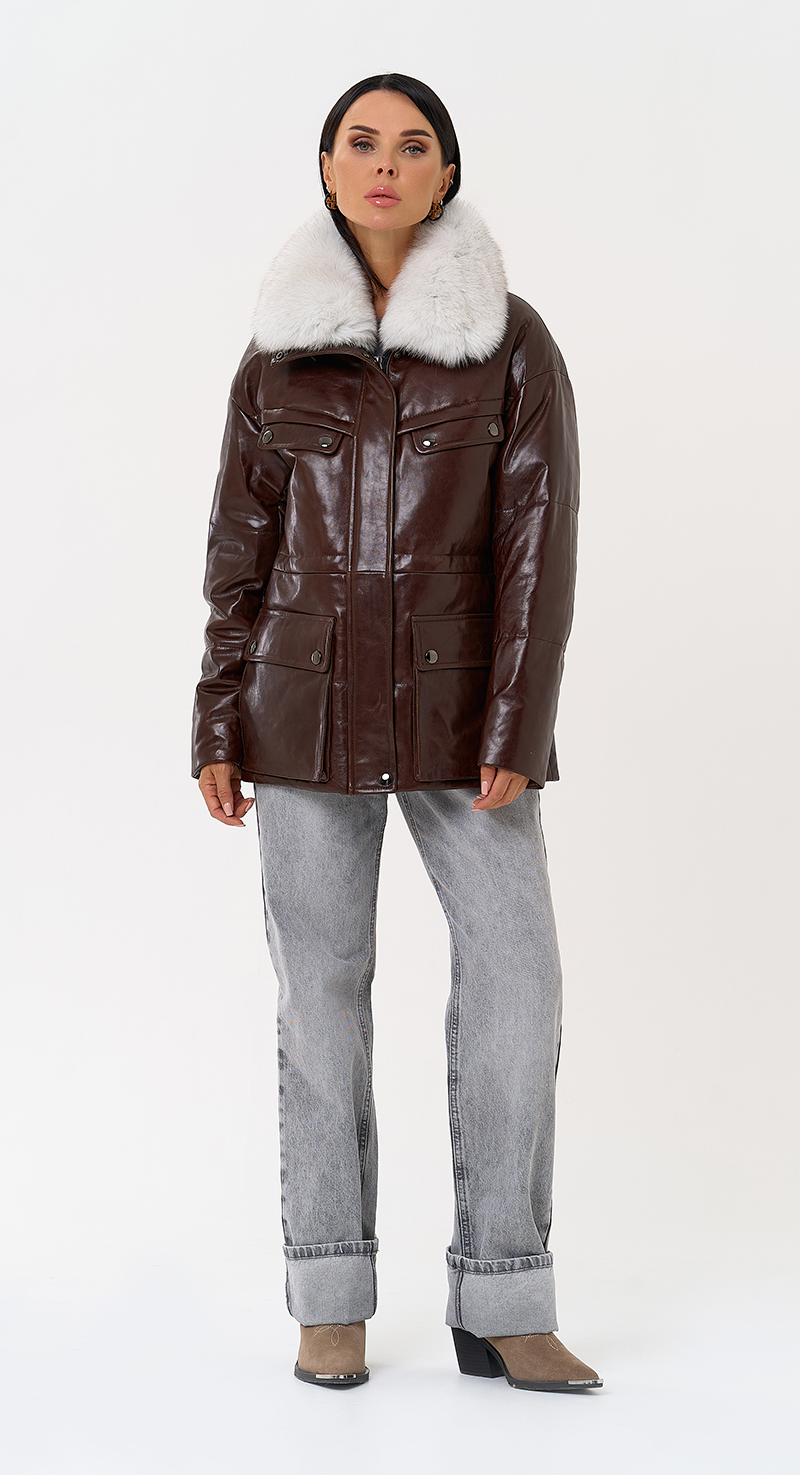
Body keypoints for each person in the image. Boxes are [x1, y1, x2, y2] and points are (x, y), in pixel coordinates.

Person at [192, 72, 602, 1395]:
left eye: (412, 145)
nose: (385, 163)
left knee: (518, 985)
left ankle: (504, 1297)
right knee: (319, 1004)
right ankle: (330, 1298)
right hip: (299, 717)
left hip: (464, 717)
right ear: (328, 167)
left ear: (445, 174)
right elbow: (239, 553)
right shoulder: (275, 355)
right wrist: (216, 715)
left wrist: (518, 721)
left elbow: (540, 545)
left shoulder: (511, 341)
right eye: (361, 143)